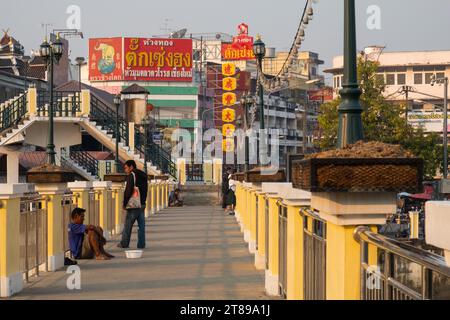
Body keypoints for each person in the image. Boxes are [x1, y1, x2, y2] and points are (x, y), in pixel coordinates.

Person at [118, 160, 148, 249]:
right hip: (142, 203)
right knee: (141, 226)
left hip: (134, 205)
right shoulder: (143, 175)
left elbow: (128, 191)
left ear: (131, 167)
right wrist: (143, 201)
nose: (125, 170)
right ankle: (141, 244)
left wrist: (125, 203)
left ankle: (124, 243)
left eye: (126, 168)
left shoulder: (132, 175)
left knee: (128, 224)